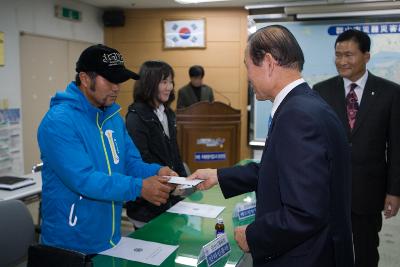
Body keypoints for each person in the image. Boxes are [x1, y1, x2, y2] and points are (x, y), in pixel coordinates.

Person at [189, 25, 354, 267]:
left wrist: (253, 236)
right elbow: (278, 169)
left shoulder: (296, 116)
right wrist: (218, 175)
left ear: (267, 62)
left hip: (306, 256)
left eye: (248, 67)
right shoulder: (308, 104)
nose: (248, 77)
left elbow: (304, 213)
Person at [37, 44, 175, 254]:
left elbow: (130, 163)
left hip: (110, 240)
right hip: (69, 245)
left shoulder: (112, 118)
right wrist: (139, 187)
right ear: (84, 79)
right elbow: (84, 179)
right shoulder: (59, 122)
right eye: (109, 80)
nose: (116, 87)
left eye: (119, 80)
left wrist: (156, 172)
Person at [313, 29, 400, 267]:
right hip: (328, 190)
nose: (342, 61)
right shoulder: (321, 91)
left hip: (369, 191)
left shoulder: (390, 93)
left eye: (349, 55)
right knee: (327, 251)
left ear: (367, 56)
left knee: (366, 252)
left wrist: (394, 191)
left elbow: (396, 146)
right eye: (338, 54)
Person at [125, 60, 187, 226]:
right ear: (149, 83)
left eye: (171, 81)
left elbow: (174, 152)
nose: (170, 87)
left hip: (168, 198)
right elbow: (140, 161)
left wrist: (183, 180)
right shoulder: (136, 116)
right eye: (164, 82)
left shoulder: (168, 113)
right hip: (145, 206)